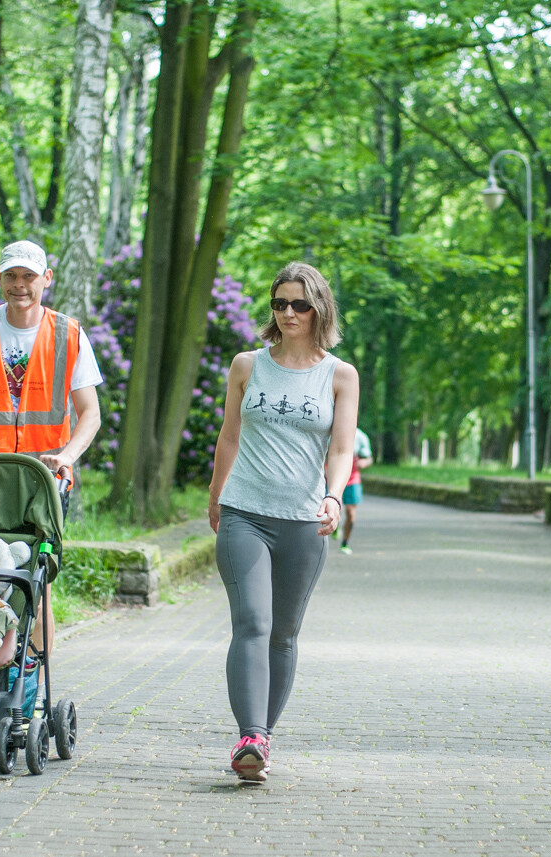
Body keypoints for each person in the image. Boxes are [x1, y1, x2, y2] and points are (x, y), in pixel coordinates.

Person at [208, 261, 359, 782]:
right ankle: (249, 735)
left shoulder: (339, 375)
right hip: (244, 511)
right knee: (253, 621)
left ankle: (262, 740)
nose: (288, 313)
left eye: (299, 304)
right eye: (279, 304)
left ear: (319, 308)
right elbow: (229, 436)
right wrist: (215, 495)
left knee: (284, 634)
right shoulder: (247, 365)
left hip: (302, 520)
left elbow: (341, 449)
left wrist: (334, 497)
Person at [0, 239, 103, 659]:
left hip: (43, 480)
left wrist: (66, 456)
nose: (19, 285)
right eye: (11, 276)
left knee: (34, 579)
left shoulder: (69, 334)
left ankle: (31, 676)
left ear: (46, 279)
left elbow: (90, 414)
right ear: (0, 279)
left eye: (28, 276)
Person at [338, 427, 373, 555]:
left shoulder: (360, 436)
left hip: (353, 479)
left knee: (351, 514)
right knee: (337, 507)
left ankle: (345, 543)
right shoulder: (332, 431)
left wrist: (364, 462)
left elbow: (369, 458)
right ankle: (336, 525)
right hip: (334, 477)